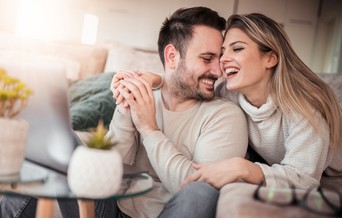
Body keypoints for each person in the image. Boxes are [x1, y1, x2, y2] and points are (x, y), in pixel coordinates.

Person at [0, 7, 248, 218]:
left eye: (219, 59)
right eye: (208, 58)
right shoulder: (143, 94)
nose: (218, 70)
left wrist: (149, 129)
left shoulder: (225, 116)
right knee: (55, 144)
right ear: (172, 57)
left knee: (202, 194)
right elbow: (110, 170)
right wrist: (127, 109)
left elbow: (194, 190)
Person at [146, 13, 342, 190]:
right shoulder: (230, 93)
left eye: (237, 49)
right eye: (223, 52)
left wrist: (243, 168)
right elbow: (190, 82)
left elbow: (304, 178)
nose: (222, 60)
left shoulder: (305, 106)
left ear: (270, 58)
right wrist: (156, 80)